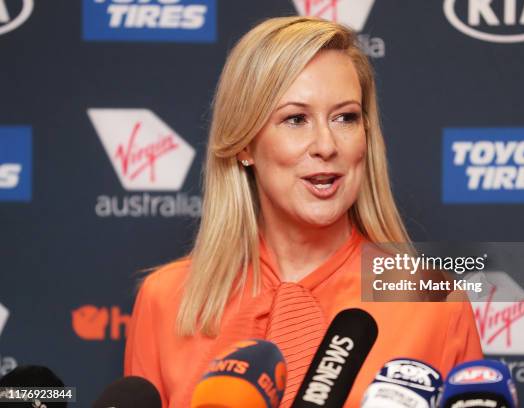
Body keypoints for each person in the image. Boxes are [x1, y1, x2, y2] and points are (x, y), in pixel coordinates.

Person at [124, 16, 482, 408]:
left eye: (345, 117)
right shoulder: (165, 300)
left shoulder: (432, 300)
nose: (326, 145)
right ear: (244, 144)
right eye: (296, 119)